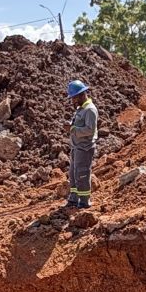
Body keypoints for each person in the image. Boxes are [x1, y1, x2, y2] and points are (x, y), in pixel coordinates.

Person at [66, 80, 98, 209]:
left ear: (81, 95)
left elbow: (90, 130)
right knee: (73, 174)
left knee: (82, 174)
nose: (72, 101)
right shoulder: (81, 109)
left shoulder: (90, 110)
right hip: (76, 147)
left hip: (84, 147)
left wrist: (73, 129)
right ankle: (73, 199)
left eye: (74, 98)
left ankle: (84, 201)